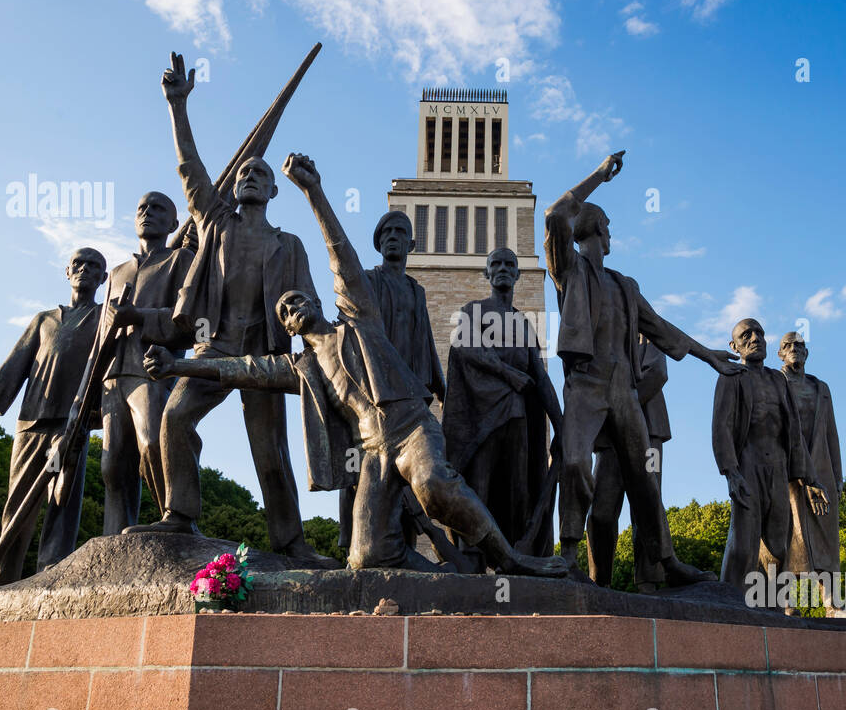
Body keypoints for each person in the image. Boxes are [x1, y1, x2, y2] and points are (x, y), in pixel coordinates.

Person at [144, 153, 567, 579]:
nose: (293, 307)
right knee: (367, 556)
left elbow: (339, 253)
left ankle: (510, 559)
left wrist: (314, 191)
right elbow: (238, 369)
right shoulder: (301, 367)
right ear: (287, 325)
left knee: (433, 485)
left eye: (297, 299)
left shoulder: (357, 316)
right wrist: (175, 367)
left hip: (410, 427)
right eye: (285, 310)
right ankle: (448, 579)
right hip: (374, 450)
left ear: (315, 300)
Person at [131, 53, 328, 565]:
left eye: (259, 173)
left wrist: (303, 324)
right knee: (175, 418)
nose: (249, 176)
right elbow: (189, 168)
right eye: (243, 173)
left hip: (263, 356)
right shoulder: (216, 222)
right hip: (212, 346)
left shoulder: (290, 246)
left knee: (270, 455)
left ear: (274, 188)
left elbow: (308, 303)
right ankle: (181, 514)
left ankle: (291, 542)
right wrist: (178, 106)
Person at [544, 150, 739, 586]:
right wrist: (599, 176)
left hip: (623, 390)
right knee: (574, 463)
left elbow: (662, 328)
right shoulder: (570, 270)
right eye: (608, 225)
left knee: (644, 478)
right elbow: (556, 213)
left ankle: (666, 563)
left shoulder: (625, 285)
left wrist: (709, 355)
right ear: (592, 226)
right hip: (586, 385)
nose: (612, 233)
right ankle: (569, 556)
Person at [0, 248, 107, 585]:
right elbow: (14, 365)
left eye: (93, 266)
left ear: (103, 278)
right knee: (18, 502)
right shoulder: (43, 319)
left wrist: (97, 416)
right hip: (32, 422)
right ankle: (3, 577)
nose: (84, 269)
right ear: (67, 272)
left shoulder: (103, 319)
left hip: (71, 425)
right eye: (78, 264)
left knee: (62, 502)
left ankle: (50, 575)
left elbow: (108, 370)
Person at [442, 247, 562, 570]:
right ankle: (471, 559)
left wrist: (562, 425)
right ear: (486, 273)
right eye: (496, 264)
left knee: (518, 492)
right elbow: (465, 346)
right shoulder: (473, 311)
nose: (503, 268)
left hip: (518, 418)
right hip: (482, 420)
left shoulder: (524, 324)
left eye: (510, 264)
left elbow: (539, 375)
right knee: (478, 487)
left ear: (519, 275)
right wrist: (507, 373)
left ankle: (514, 559)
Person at [337, 210, 446, 553]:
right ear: (379, 242)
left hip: (409, 400)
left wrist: (445, 393)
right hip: (371, 394)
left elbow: (427, 343)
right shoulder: (369, 280)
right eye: (387, 232)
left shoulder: (417, 291)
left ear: (412, 243)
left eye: (400, 232)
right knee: (358, 472)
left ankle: (404, 553)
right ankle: (350, 547)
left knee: (409, 482)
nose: (393, 236)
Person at [97, 191, 194, 534]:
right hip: (112, 373)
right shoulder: (117, 272)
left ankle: (179, 517)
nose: (147, 213)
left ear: (172, 222)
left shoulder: (181, 260)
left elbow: (191, 320)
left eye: (158, 209)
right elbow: (101, 333)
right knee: (112, 465)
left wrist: (138, 316)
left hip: (150, 369)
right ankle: (115, 538)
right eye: (141, 207)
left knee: (153, 441)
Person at [712, 318, 827, 597]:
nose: (755, 338)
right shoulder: (731, 377)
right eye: (746, 335)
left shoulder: (778, 380)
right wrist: (731, 472)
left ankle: (772, 608)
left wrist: (810, 479)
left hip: (777, 466)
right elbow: (721, 427)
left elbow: (795, 433)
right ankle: (729, 600)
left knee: (778, 545)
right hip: (748, 464)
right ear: (734, 346)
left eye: (760, 333)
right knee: (743, 542)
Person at [586, 337, 668, 590]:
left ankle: (649, 581)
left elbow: (657, 374)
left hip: (646, 428)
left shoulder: (648, 332)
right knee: (601, 511)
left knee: (647, 506)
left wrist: (622, 409)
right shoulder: (600, 334)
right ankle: (600, 581)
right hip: (609, 434)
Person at [778, 331, 845, 614]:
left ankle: (832, 603)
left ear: (807, 353)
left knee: (825, 537)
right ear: (780, 353)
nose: (795, 349)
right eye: (788, 345)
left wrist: (838, 477)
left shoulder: (821, 388)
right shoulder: (774, 382)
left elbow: (831, 434)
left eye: (800, 345)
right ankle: (784, 601)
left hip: (822, 470)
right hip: (786, 469)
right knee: (790, 534)